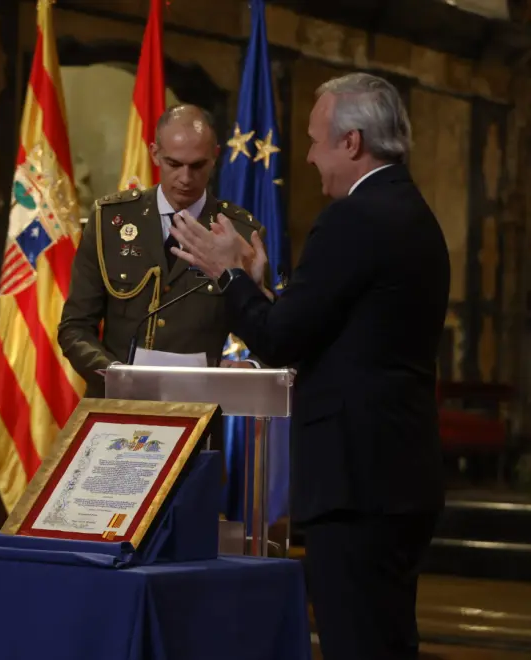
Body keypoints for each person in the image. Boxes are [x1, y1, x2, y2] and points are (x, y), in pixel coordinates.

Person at [169, 73, 449, 659]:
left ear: (351, 143)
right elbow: (335, 332)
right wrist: (260, 287)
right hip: (397, 475)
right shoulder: (412, 211)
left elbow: (279, 340)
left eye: (317, 140)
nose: (311, 156)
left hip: (356, 483)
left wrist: (227, 275)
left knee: (360, 645)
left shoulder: (355, 218)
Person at [58, 104, 268, 400]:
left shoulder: (241, 233)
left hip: (197, 413)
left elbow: (274, 328)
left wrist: (250, 366)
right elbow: (75, 327)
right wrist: (114, 375)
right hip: (116, 405)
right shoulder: (110, 220)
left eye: (197, 166)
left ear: (215, 158)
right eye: (173, 164)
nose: (185, 177)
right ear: (154, 153)